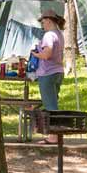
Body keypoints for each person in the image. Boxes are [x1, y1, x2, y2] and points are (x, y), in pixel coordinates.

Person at [32, 9, 65, 145]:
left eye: (43, 21)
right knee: (53, 103)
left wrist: (35, 54)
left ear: (49, 21)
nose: (42, 24)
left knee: (50, 105)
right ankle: (55, 135)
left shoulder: (49, 35)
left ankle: (53, 137)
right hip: (58, 72)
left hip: (47, 73)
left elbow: (47, 54)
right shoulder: (59, 34)